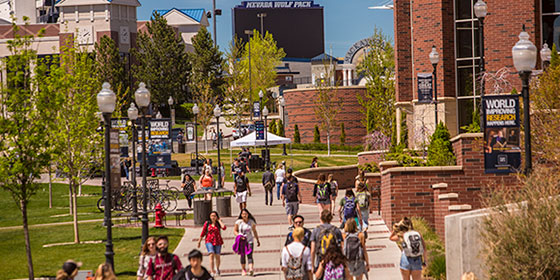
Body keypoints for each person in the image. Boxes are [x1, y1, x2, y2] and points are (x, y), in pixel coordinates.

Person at [310, 210, 344, 274]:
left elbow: (313, 250)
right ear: (331, 218)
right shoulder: (336, 230)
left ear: (321, 218)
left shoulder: (316, 230)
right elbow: (341, 247)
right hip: (334, 260)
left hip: (320, 259)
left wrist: (312, 265)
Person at [197, 211, 226, 276]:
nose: (213, 217)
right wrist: (199, 241)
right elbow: (203, 232)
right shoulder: (207, 223)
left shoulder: (218, 224)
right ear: (210, 217)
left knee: (217, 256)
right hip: (209, 241)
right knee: (211, 254)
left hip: (218, 241)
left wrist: (219, 221)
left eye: (214, 216)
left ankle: (217, 269)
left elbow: (224, 228)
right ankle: (212, 271)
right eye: (212, 216)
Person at [233, 209, 261, 276]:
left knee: (250, 255)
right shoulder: (238, 222)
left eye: (246, 214)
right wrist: (239, 235)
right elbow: (235, 231)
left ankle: (251, 269)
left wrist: (257, 239)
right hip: (241, 241)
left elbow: (254, 231)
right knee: (242, 256)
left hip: (249, 240)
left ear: (248, 214)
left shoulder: (251, 222)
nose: (244, 215)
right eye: (243, 214)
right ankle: (243, 269)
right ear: (241, 215)